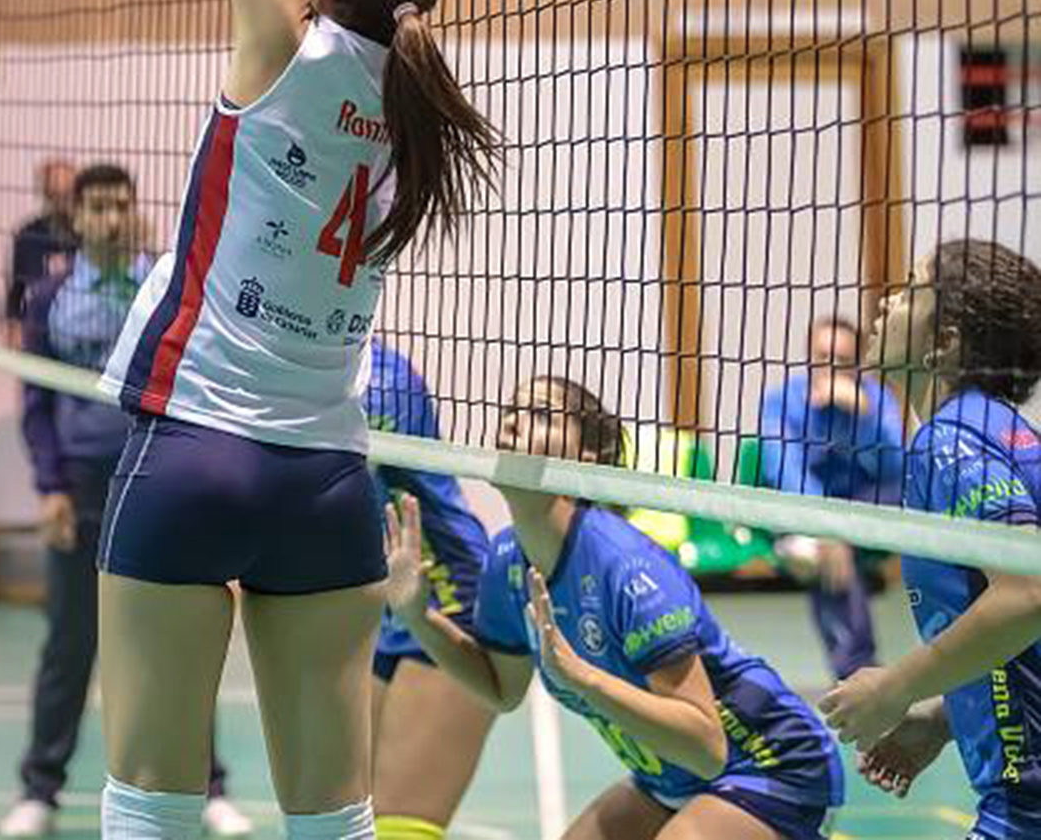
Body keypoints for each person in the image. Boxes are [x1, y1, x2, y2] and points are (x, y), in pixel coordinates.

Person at [91, 0, 499, 840]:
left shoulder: (280, 40)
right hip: (326, 478)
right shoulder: (417, 84)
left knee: (149, 803)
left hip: (194, 446)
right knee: (334, 819)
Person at [387, 376, 846, 840]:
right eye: (511, 410)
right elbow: (501, 689)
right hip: (669, 778)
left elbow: (707, 748)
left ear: (583, 460)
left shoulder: (626, 567)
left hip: (772, 766)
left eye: (540, 415)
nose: (511, 423)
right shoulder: (507, 560)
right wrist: (419, 618)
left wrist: (584, 679)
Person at [2, 164, 249, 840]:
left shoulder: (167, 285)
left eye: (121, 206)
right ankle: (40, 790)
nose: (111, 219)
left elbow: (199, 382)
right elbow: (34, 401)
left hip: (158, 484)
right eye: (98, 208)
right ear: (76, 218)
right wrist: (49, 485)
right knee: (69, 641)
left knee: (181, 641)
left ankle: (209, 785)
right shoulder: (49, 295)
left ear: (135, 211)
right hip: (82, 489)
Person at [821, 240, 1041, 840]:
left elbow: (1027, 596)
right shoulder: (998, 429)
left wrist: (893, 687)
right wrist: (947, 717)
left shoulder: (952, 440)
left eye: (909, 291)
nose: (885, 302)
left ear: (943, 342)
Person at [365, 339, 495, 840]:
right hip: (385, 594)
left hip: (445, 589)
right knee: (346, 818)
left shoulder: (376, 377)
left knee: (398, 829)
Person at [758, 315, 908, 683]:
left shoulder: (875, 398)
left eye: (842, 360)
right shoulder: (781, 400)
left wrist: (863, 417)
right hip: (807, 509)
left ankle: (812, 545)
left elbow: (896, 468)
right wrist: (826, 526)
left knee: (904, 496)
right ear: (809, 357)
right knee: (831, 556)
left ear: (858, 364)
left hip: (867, 505)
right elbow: (784, 470)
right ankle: (857, 671)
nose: (831, 367)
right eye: (822, 357)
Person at [5, 160, 79, 329]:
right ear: (45, 195)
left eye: (68, 194)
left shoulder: (90, 237)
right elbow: (16, 293)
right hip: (37, 326)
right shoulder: (28, 236)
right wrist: (13, 328)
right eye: (55, 195)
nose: (62, 203)